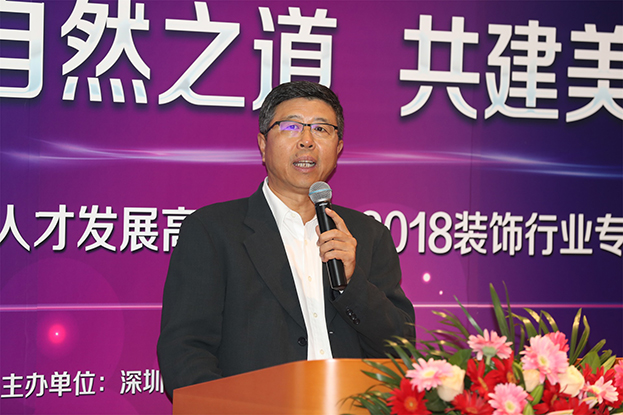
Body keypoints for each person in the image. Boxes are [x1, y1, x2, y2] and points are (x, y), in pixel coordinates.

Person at [157, 81, 415, 399]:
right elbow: (184, 352)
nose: (307, 140)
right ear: (263, 144)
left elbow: (401, 350)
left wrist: (353, 286)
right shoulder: (213, 230)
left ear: (338, 147)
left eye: (321, 129)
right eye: (291, 126)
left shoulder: (368, 235)